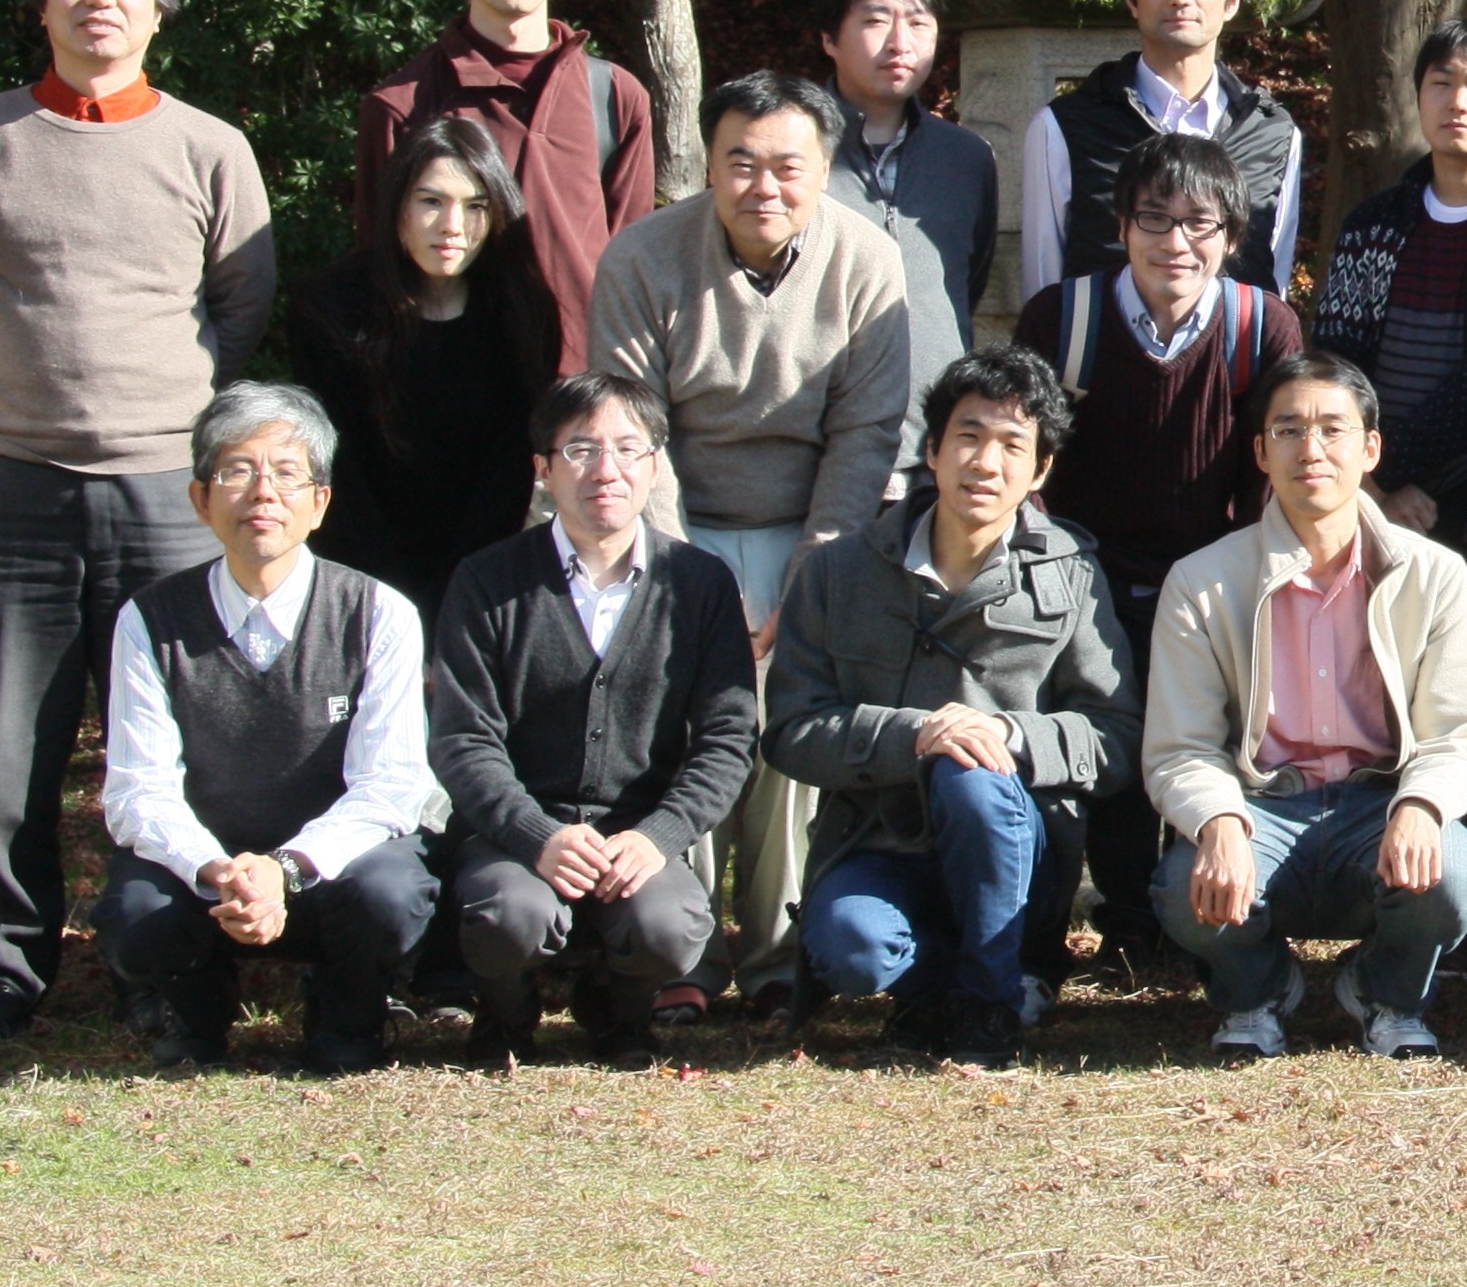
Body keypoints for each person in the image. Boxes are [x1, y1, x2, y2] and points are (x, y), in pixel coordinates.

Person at [0, 0, 278, 1041]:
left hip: (166, 491)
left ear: (161, 6)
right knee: (7, 738)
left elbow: (242, 302)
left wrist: (168, 407)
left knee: (170, 740)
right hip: (12, 483)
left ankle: (159, 952)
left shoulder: (208, 146)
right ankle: (3, 965)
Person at [586, 68, 912, 1021]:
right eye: (740, 163)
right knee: (671, 718)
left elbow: (866, 432)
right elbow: (629, 434)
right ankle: (678, 947)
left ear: (824, 169)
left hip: (814, 524)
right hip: (668, 520)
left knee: (783, 726)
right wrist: (685, 574)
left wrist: (809, 577)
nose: (762, 187)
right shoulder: (642, 259)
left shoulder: (865, 261)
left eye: (786, 167)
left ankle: (776, 954)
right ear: (708, 165)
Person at [768, 347, 1143, 1069]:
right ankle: (958, 987)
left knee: (972, 776)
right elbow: (790, 730)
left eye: (1012, 445)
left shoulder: (1070, 574)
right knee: (851, 950)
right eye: (968, 437)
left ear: (1039, 473)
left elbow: (1116, 736)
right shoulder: (840, 570)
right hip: (879, 839)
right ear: (933, 450)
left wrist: (1006, 734)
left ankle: (986, 1014)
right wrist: (915, 736)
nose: (985, 462)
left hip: (1012, 843)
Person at [1309, 19, 1467, 972]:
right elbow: (1336, 353)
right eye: (1442, 84)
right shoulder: (1377, 220)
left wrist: (1407, 471)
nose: (1458, 103)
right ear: (1417, 96)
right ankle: (1391, 887)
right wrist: (1375, 480)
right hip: (1376, 501)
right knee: (1382, 695)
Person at [1148, 355, 1467, 1061]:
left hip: (1377, 805)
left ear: (1370, 448)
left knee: (1455, 871)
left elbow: (1461, 737)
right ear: (1259, 452)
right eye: (1288, 430)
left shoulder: (1434, 575)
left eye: (1332, 430)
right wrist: (1217, 820)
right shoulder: (1202, 581)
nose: (1311, 449)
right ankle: (1258, 991)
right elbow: (1178, 747)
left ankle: (1383, 993)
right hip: (1261, 805)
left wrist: (1421, 805)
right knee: (1183, 884)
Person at [1012, 132, 1303, 980]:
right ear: (1120, 224)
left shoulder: (1261, 325)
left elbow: (1280, 463)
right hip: (1084, 572)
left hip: (1212, 575)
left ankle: (1197, 919)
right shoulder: (1060, 319)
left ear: (1232, 235)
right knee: (1105, 747)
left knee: (1201, 742)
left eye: (1200, 224)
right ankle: (1120, 917)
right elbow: (1027, 453)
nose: (1176, 242)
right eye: (1155, 219)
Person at [92, 385, 436, 1073]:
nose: (262, 493)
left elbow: (391, 787)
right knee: (135, 914)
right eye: (237, 471)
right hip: (210, 873)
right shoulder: (149, 619)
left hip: (327, 871)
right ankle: (192, 1019)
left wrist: (285, 869)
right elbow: (137, 791)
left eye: (286, 472)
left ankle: (349, 1020)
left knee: (392, 895)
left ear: (320, 502)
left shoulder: (379, 614)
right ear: (199, 499)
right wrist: (218, 869)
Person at [426, 373, 757, 1069]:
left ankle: (620, 1012)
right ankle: (506, 1014)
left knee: (672, 925)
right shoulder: (486, 581)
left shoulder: (699, 584)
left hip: (635, 834)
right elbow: (463, 739)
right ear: (543, 470)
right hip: (515, 835)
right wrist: (535, 834)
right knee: (508, 915)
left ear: (654, 465)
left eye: (627, 449)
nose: (606, 471)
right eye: (580, 451)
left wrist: (658, 837)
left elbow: (728, 740)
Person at [356, 0, 657, 372]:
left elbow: (640, 258)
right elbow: (379, 267)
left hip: (586, 392)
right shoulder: (405, 105)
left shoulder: (613, 96)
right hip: (452, 386)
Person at [286, 112, 563, 612]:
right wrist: (391, 602)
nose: (452, 227)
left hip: (482, 575)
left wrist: (458, 596)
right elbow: (337, 471)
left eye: (476, 206)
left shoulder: (523, 312)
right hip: (356, 571)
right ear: (397, 207)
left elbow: (507, 474)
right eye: (432, 202)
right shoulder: (330, 310)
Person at [1017, 0, 1305, 299]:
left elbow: (1273, 287)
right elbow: (1044, 292)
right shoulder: (1065, 127)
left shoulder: (1271, 131)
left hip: (1232, 360)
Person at [814, 0, 1003, 471]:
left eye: (919, 23)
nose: (901, 43)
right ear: (830, 36)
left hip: (935, 450)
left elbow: (965, 285)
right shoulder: (791, 155)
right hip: (818, 449)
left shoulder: (966, 158)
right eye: (876, 21)